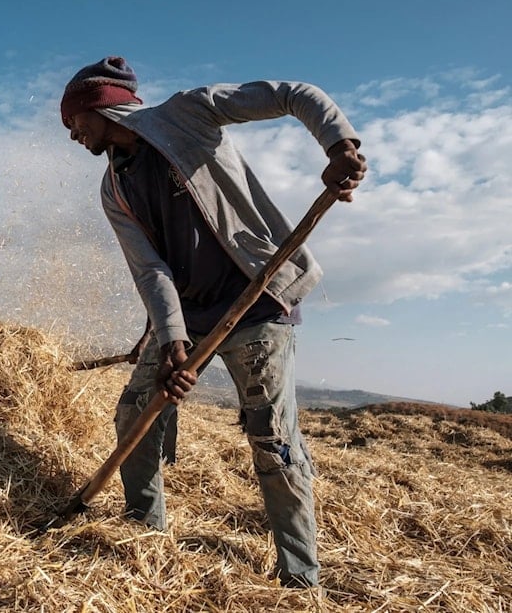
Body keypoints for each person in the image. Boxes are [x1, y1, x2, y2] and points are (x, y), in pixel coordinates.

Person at [60, 57, 367, 588]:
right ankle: (143, 531)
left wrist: (338, 146)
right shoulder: (114, 188)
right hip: (187, 316)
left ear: (96, 107)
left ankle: (300, 577)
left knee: (272, 439)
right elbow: (151, 269)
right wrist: (173, 338)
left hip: (257, 304)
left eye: (72, 123)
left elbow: (294, 92)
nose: (72, 136)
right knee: (136, 412)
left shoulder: (188, 114)